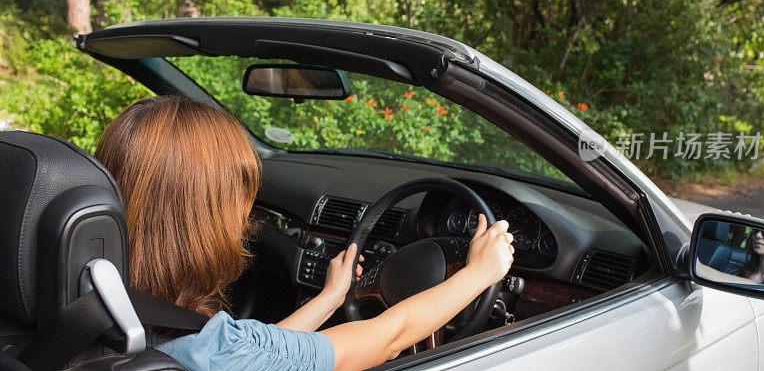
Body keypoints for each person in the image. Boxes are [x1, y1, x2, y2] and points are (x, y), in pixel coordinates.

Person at [94, 96, 515, 371]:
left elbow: (268, 350)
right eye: (241, 203)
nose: (247, 220)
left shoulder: (96, 297)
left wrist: (332, 296)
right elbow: (390, 339)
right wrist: (478, 274)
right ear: (203, 222)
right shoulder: (216, 350)